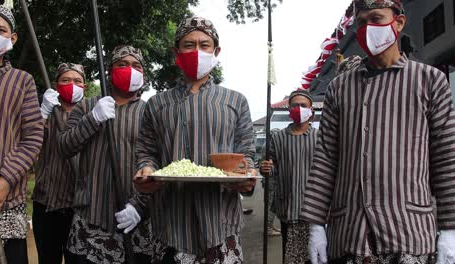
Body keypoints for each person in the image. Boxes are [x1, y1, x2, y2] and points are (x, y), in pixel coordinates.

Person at [301, 1, 455, 264]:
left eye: (376, 18)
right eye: (361, 22)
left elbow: (446, 157)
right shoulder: (340, 88)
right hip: (350, 233)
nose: (367, 28)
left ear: (399, 22)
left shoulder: (429, 81)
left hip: (409, 234)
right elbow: (326, 158)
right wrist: (316, 225)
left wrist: (450, 229)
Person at [134, 16, 257, 263]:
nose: (197, 51)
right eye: (189, 45)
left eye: (204, 45)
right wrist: (146, 170)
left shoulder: (235, 101)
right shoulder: (158, 104)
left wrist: (246, 177)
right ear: (176, 52)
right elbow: (146, 151)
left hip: (220, 223)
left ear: (216, 51)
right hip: (171, 224)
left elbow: (246, 153)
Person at [57, 45, 152, 264]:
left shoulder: (151, 112)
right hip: (91, 219)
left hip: (135, 219)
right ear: (109, 70)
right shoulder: (86, 106)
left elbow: (161, 164)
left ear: (143, 74)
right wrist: (93, 119)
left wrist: (139, 205)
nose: (130, 69)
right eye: (122, 64)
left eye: (136, 66)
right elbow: (64, 147)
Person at [0, 3, 43, 263]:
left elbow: (32, 138)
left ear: (13, 37)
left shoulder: (23, 81)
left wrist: (4, 181)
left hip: (6, 202)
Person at [32, 63, 86, 264]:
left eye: (77, 81)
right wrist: (42, 113)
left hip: (79, 206)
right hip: (46, 203)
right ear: (55, 85)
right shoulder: (46, 111)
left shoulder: (91, 112)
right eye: (65, 80)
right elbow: (29, 143)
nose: (71, 84)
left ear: (84, 86)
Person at [261, 89, 317, 263]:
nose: (298, 108)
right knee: (291, 256)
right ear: (288, 109)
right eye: (294, 105)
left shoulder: (320, 137)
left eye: (303, 105)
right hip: (287, 207)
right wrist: (265, 168)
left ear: (311, 110)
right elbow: (270, 169)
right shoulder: (276, 139)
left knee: (315, 255)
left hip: (314, 210)